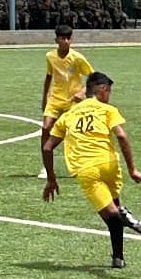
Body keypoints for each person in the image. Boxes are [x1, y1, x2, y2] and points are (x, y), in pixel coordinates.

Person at [42, 72, 141, 269]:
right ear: (103, 90)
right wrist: (132, 169)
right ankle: (118, 258)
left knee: (112, 215)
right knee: (113, 210)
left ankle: (124, 217)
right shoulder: (107, 110)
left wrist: (51, 179)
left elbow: (47, 147)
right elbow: (122, 137)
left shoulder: (68, 115)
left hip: (88, 170)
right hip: (110, 164)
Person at [38, 25, 94, 179]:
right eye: (63, 38)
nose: (66, 41)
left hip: (72, 102)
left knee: (74, 132)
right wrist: (44, 98)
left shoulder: (77, 58)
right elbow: (49, 76)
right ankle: (46, 167)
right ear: (56, 39)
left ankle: (79, 165)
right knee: (46, 128)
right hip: (55, 99)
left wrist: (82, 92)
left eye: (69, 38)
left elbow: (93, 77)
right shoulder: (50, 56)